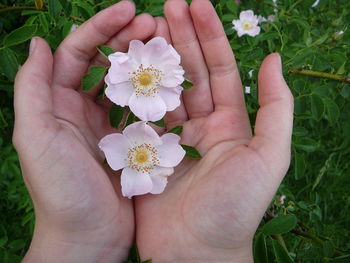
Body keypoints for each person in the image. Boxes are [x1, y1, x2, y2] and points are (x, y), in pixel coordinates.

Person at [13, 0, 293, 262]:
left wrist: (72, 240)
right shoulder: (124, 88)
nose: (145, 77)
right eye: (143, 76)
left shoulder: (160, 104)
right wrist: (73, 236)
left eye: (147, 76)